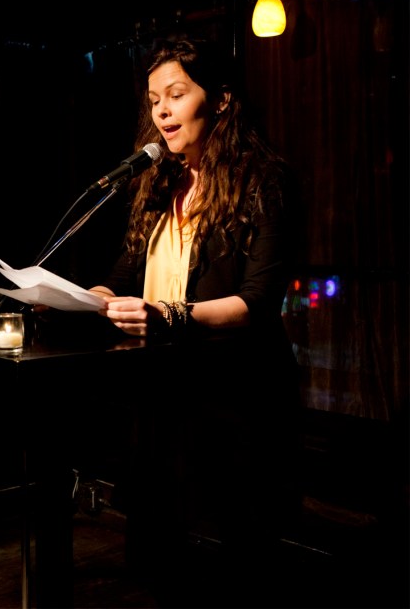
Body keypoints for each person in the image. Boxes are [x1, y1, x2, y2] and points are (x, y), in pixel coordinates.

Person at [85, 36, 303, 605]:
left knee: (241, 558)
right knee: (154, 558)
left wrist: (170, 314)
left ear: (221, 99)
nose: (162, 111)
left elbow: (257, 302)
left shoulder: (264, 180)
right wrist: (79, 299)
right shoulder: (159, 183)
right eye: (154, 100)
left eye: (176, 94)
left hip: (237, 394)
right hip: (164, 391)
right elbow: (124, 277)